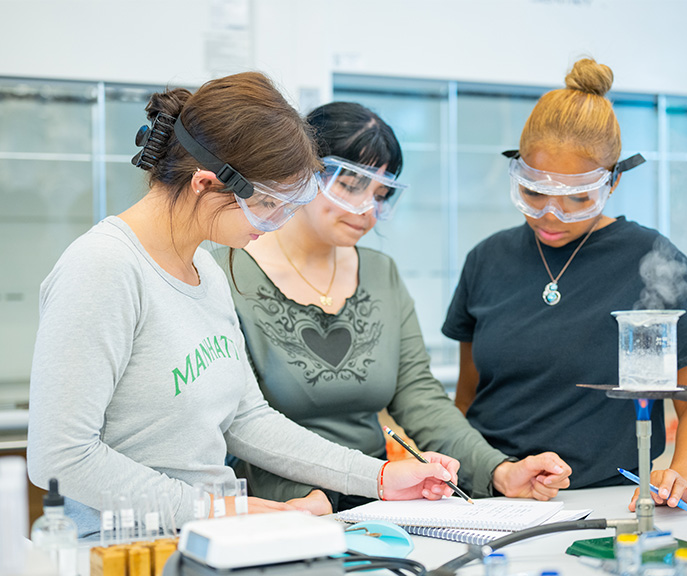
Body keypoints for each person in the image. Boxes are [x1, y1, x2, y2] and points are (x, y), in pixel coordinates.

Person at [26, 73, 463, 538]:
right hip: (125, 548)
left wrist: (377, 479)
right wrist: (220, 512)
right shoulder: (103, 268)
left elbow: (247, 418)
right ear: (205, 183)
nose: (274, 224)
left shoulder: (207, 270)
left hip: (213, 538)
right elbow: (61, 456)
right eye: (268, 204)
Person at [220, 101, 571, 514]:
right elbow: (238, 423)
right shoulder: (227, 272)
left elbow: (420, 398)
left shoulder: (380, 273)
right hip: (280, 505)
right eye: (351, 185)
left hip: (376, 499)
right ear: (301, 173)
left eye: (382, 194)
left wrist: (498, 470)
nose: (368, 210)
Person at [442, 58, 687, 512]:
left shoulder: (654, 261)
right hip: (488, 497)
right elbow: (465, 400)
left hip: (610, 501)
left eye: (577, 197)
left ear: (611, 182)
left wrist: (681, 477)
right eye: (533, 192)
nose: (550, 215)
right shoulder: (486, 260)